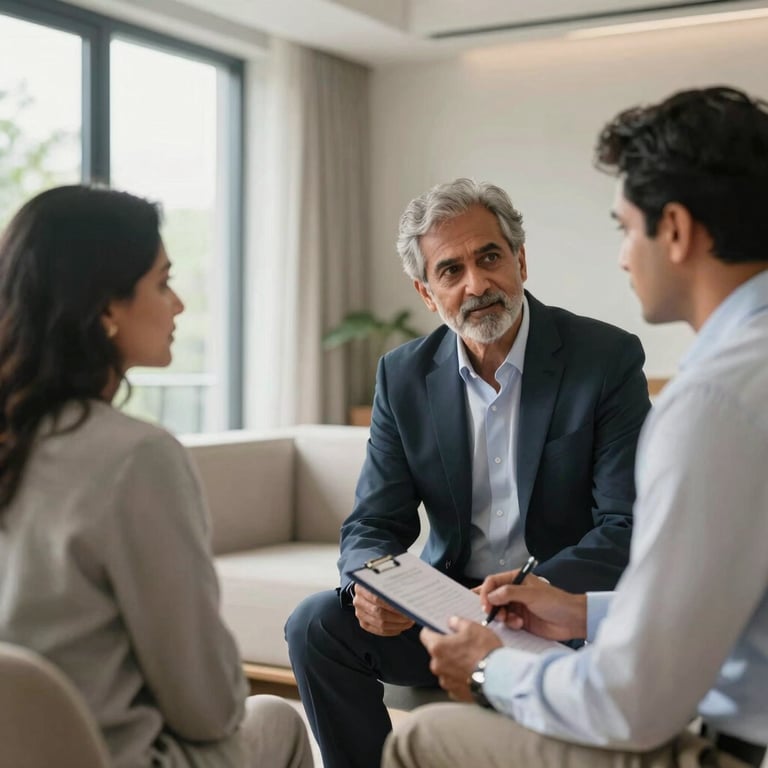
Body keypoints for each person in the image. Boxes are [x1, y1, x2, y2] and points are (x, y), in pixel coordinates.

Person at [382, 86, 768, 768]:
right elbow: (714, 606)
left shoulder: (713, 403)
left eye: (624, 227)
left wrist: (487, 670)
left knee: (419, 738)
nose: (621, 256)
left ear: (673, 230)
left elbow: (630, 700)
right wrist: (585, 612)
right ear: (427, 289)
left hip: (735, 748)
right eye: (451, 270)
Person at [286, 177, 651, 768]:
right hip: (449, 604)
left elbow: (626, 523)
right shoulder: (402, 376)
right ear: (428, 293)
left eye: (489, 258)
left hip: (560, 604)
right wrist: (369, 584)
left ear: (520, 260)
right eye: (450, 271)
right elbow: (373, 522)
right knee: (317, 624)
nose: (476, 285)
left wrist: (535, 592)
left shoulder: (604, 359)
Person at [0, 185, 313, 768]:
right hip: (108, 757)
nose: (179, 305)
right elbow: (210, 709)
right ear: (106, 309)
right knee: (276, 718)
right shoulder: (136, 458)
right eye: (163, 282)